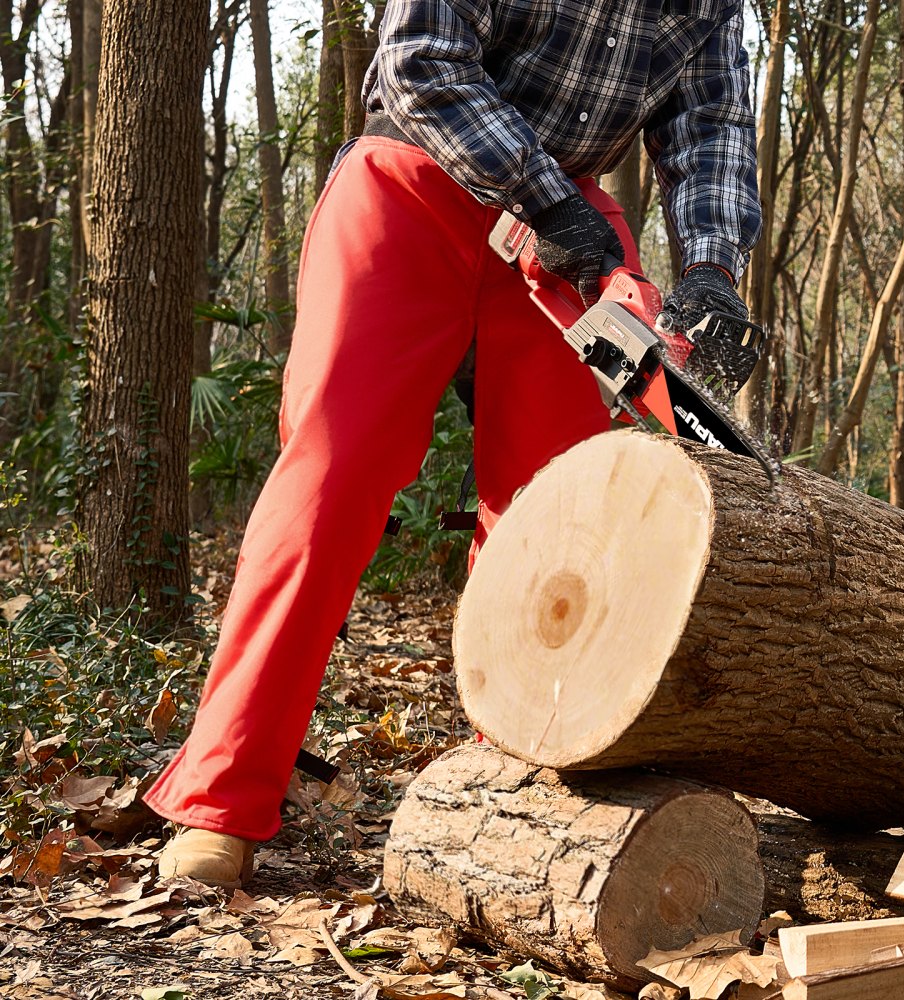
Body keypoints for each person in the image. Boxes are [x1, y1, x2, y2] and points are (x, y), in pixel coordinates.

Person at [148, 0, 762, 887]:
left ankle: (514, 785)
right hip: (415, 176)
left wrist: (711, 266)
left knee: (552, 517)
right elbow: (421, 57)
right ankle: (220, 799)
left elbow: (711, 120)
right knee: (331, 478)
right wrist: (542, 195)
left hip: (571, 231)